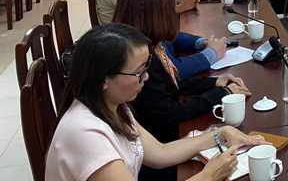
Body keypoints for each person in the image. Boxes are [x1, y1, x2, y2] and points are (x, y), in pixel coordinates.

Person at [45, 23, 266, 181]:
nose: (147, 77)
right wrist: (209, 175)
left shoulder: (113, 104)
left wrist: (220, 134)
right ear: (104, 79)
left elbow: (160, 153)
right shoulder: (85, 135)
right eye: (139, 73)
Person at [113, 0, 250, 181]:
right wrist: (221, 94)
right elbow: (170, 114)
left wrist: (215, 83)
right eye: (171, 6)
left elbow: (170, 84)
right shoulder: (138, 58)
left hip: (156, 148)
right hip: (159, 146)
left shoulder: (146, 45)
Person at [126, 0, 226, 78]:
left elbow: (169, 37)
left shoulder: (146, 15)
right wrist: (212, 54)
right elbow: (173, 70)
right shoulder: (139, 36)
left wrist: (200, 42)